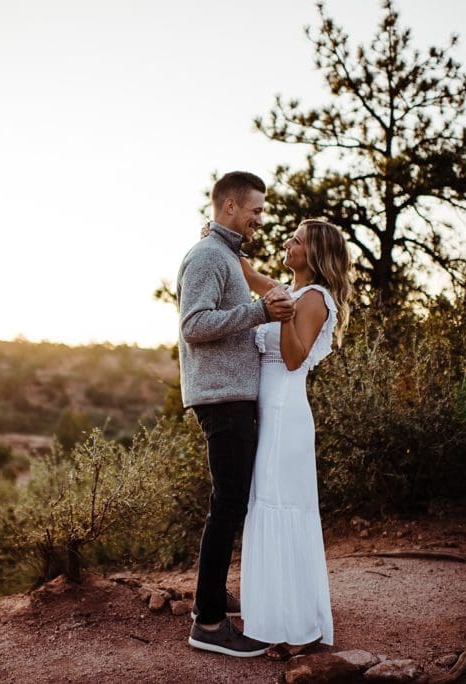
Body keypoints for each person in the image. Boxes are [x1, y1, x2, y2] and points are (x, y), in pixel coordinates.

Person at [176, 171, 294, 658]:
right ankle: (207, 623)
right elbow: (193, 325)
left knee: (229, 503)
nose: (260, 218)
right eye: (256, 210)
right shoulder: (207, 256)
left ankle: (211, 597)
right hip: (222, 397)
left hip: (232, 396)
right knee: (228, 504)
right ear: (229, 207)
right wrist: (258, 314)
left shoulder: (223, 253)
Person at [237, 218, 353, 651]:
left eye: (298, 240)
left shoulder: (316, 298)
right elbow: (258, 279)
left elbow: (292, 358)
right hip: (269, 411)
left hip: (285, 412)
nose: (289, 241)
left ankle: (296, 628)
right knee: (266, 503)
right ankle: (273, 618)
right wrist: (227, 248)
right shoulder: (292, 291)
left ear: (315, 253)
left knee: (279, 506)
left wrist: (282, 312)